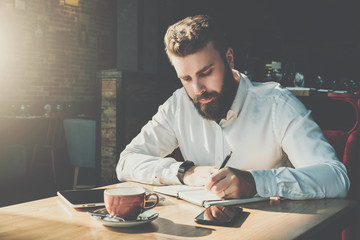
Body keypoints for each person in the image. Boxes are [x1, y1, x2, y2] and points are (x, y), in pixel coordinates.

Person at [116, 15, 349, 200]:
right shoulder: (179, 104)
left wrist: (256, 183)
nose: (197, 89)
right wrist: (185, 172)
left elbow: (336, 178)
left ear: (229, 59)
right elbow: (127, 162)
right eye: (186, 78)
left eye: (205, 73)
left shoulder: (278, 105)